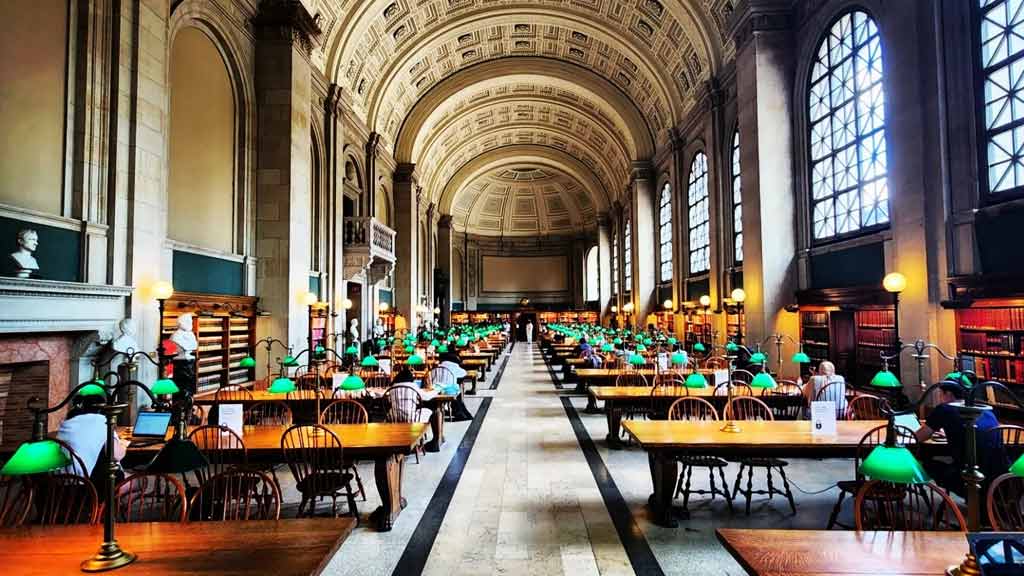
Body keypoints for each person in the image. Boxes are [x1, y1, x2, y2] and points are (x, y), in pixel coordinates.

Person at [916, 382, 1008, 498]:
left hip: (968, 476)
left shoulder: (945, 409)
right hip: (998, 477)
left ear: (948, 393)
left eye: (940, 394)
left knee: (923, 462)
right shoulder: (986, 410)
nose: (940, 398)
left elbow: (918, 437)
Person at [57, 394, 129, 487]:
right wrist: (123, 445)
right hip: (86, 489)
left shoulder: (68, 423)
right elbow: (117, 455)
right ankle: (112, 500)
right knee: (139, 481)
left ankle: (112, 500)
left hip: (60, 486)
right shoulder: (103, 421)